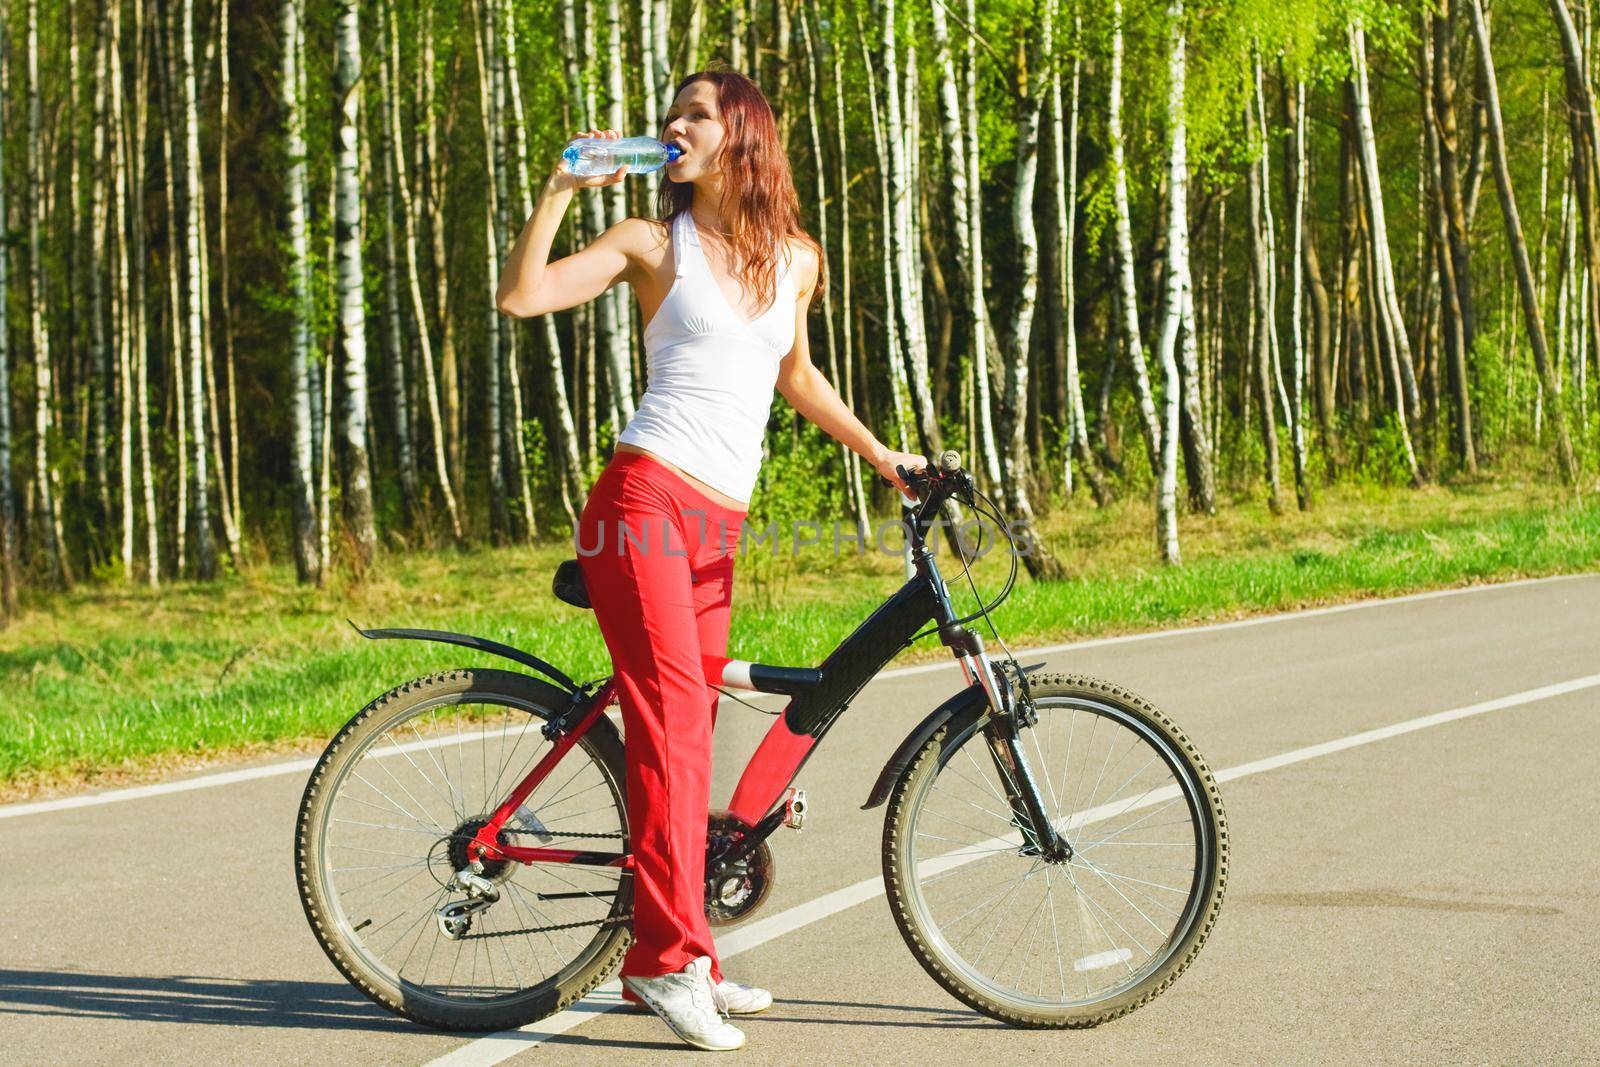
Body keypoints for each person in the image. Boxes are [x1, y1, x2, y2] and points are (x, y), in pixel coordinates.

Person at [495, 65, 926, 1052]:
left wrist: (884, 458)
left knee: (690, 739)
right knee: (673, 731)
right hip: (642, 501)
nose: (673, 125)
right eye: (670, 114)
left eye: (696, 112)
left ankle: (692, 951)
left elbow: (798, 376)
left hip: (717, 524)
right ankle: (660, 962)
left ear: (743, 135)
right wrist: (560, 190)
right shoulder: (649, 242)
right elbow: (523, 297)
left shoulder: (797, 259)